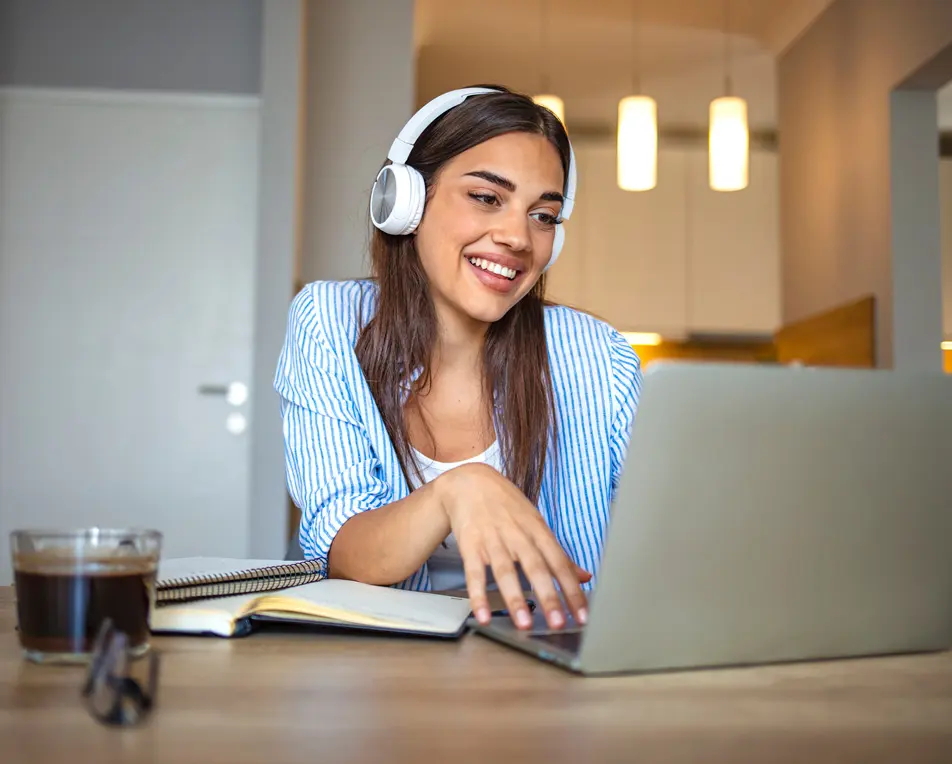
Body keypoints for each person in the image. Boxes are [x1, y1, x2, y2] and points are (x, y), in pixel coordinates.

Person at [274, 85, 642, 632]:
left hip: (552, 657)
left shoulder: (599, 357)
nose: (518, 237)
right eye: (487, 197)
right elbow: (343, 550)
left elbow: (664, 544)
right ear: (406, 203)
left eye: (543, 216)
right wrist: (458, 489)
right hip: (381, 662)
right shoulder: (329, 322)